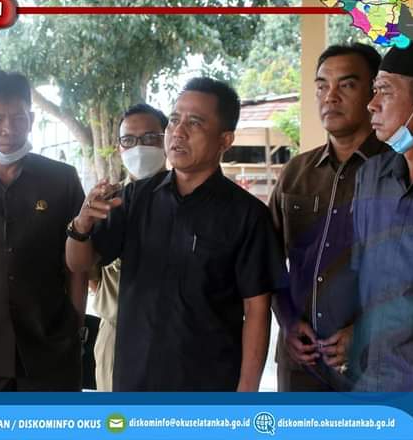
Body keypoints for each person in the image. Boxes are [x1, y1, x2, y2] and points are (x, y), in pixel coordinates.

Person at [66, 78, 286, 391]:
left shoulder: (247, 215)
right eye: (174, 120)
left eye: (195, 122)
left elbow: (257, 310)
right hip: (134, 380)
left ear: (225, 140)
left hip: (206, 386)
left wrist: (246, 393)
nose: (178, 132)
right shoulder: (134, 199)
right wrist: (81, 226)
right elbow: (79, 263)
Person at [0, 70, 87, 391]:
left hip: (51, 347)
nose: (8, 129)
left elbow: (77, 265)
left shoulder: (62, 180)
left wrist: (75, 323)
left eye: (18, 118)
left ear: (31, 119)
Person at [269, 44, 387, 391]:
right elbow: (266, 259)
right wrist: (287, 321)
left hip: (374, 364)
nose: (330, 97)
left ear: (374, 94)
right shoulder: (296, 173)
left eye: (346, 85)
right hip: (300, 364)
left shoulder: (399, 171)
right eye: (322, 86)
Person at [351, 39, 413, 391]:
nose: (371, 103)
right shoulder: (371, 177)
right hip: (368, 383)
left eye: (385, 91)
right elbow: (363, 274)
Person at [92, 103, 167, 391]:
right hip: (118, 335)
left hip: (176, 338)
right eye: (129, 140)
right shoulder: (108, 202)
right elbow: (89, 270)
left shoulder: (189, 201)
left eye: (150, 138)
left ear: (167, 139)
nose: (140, 148)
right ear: (119, 147)